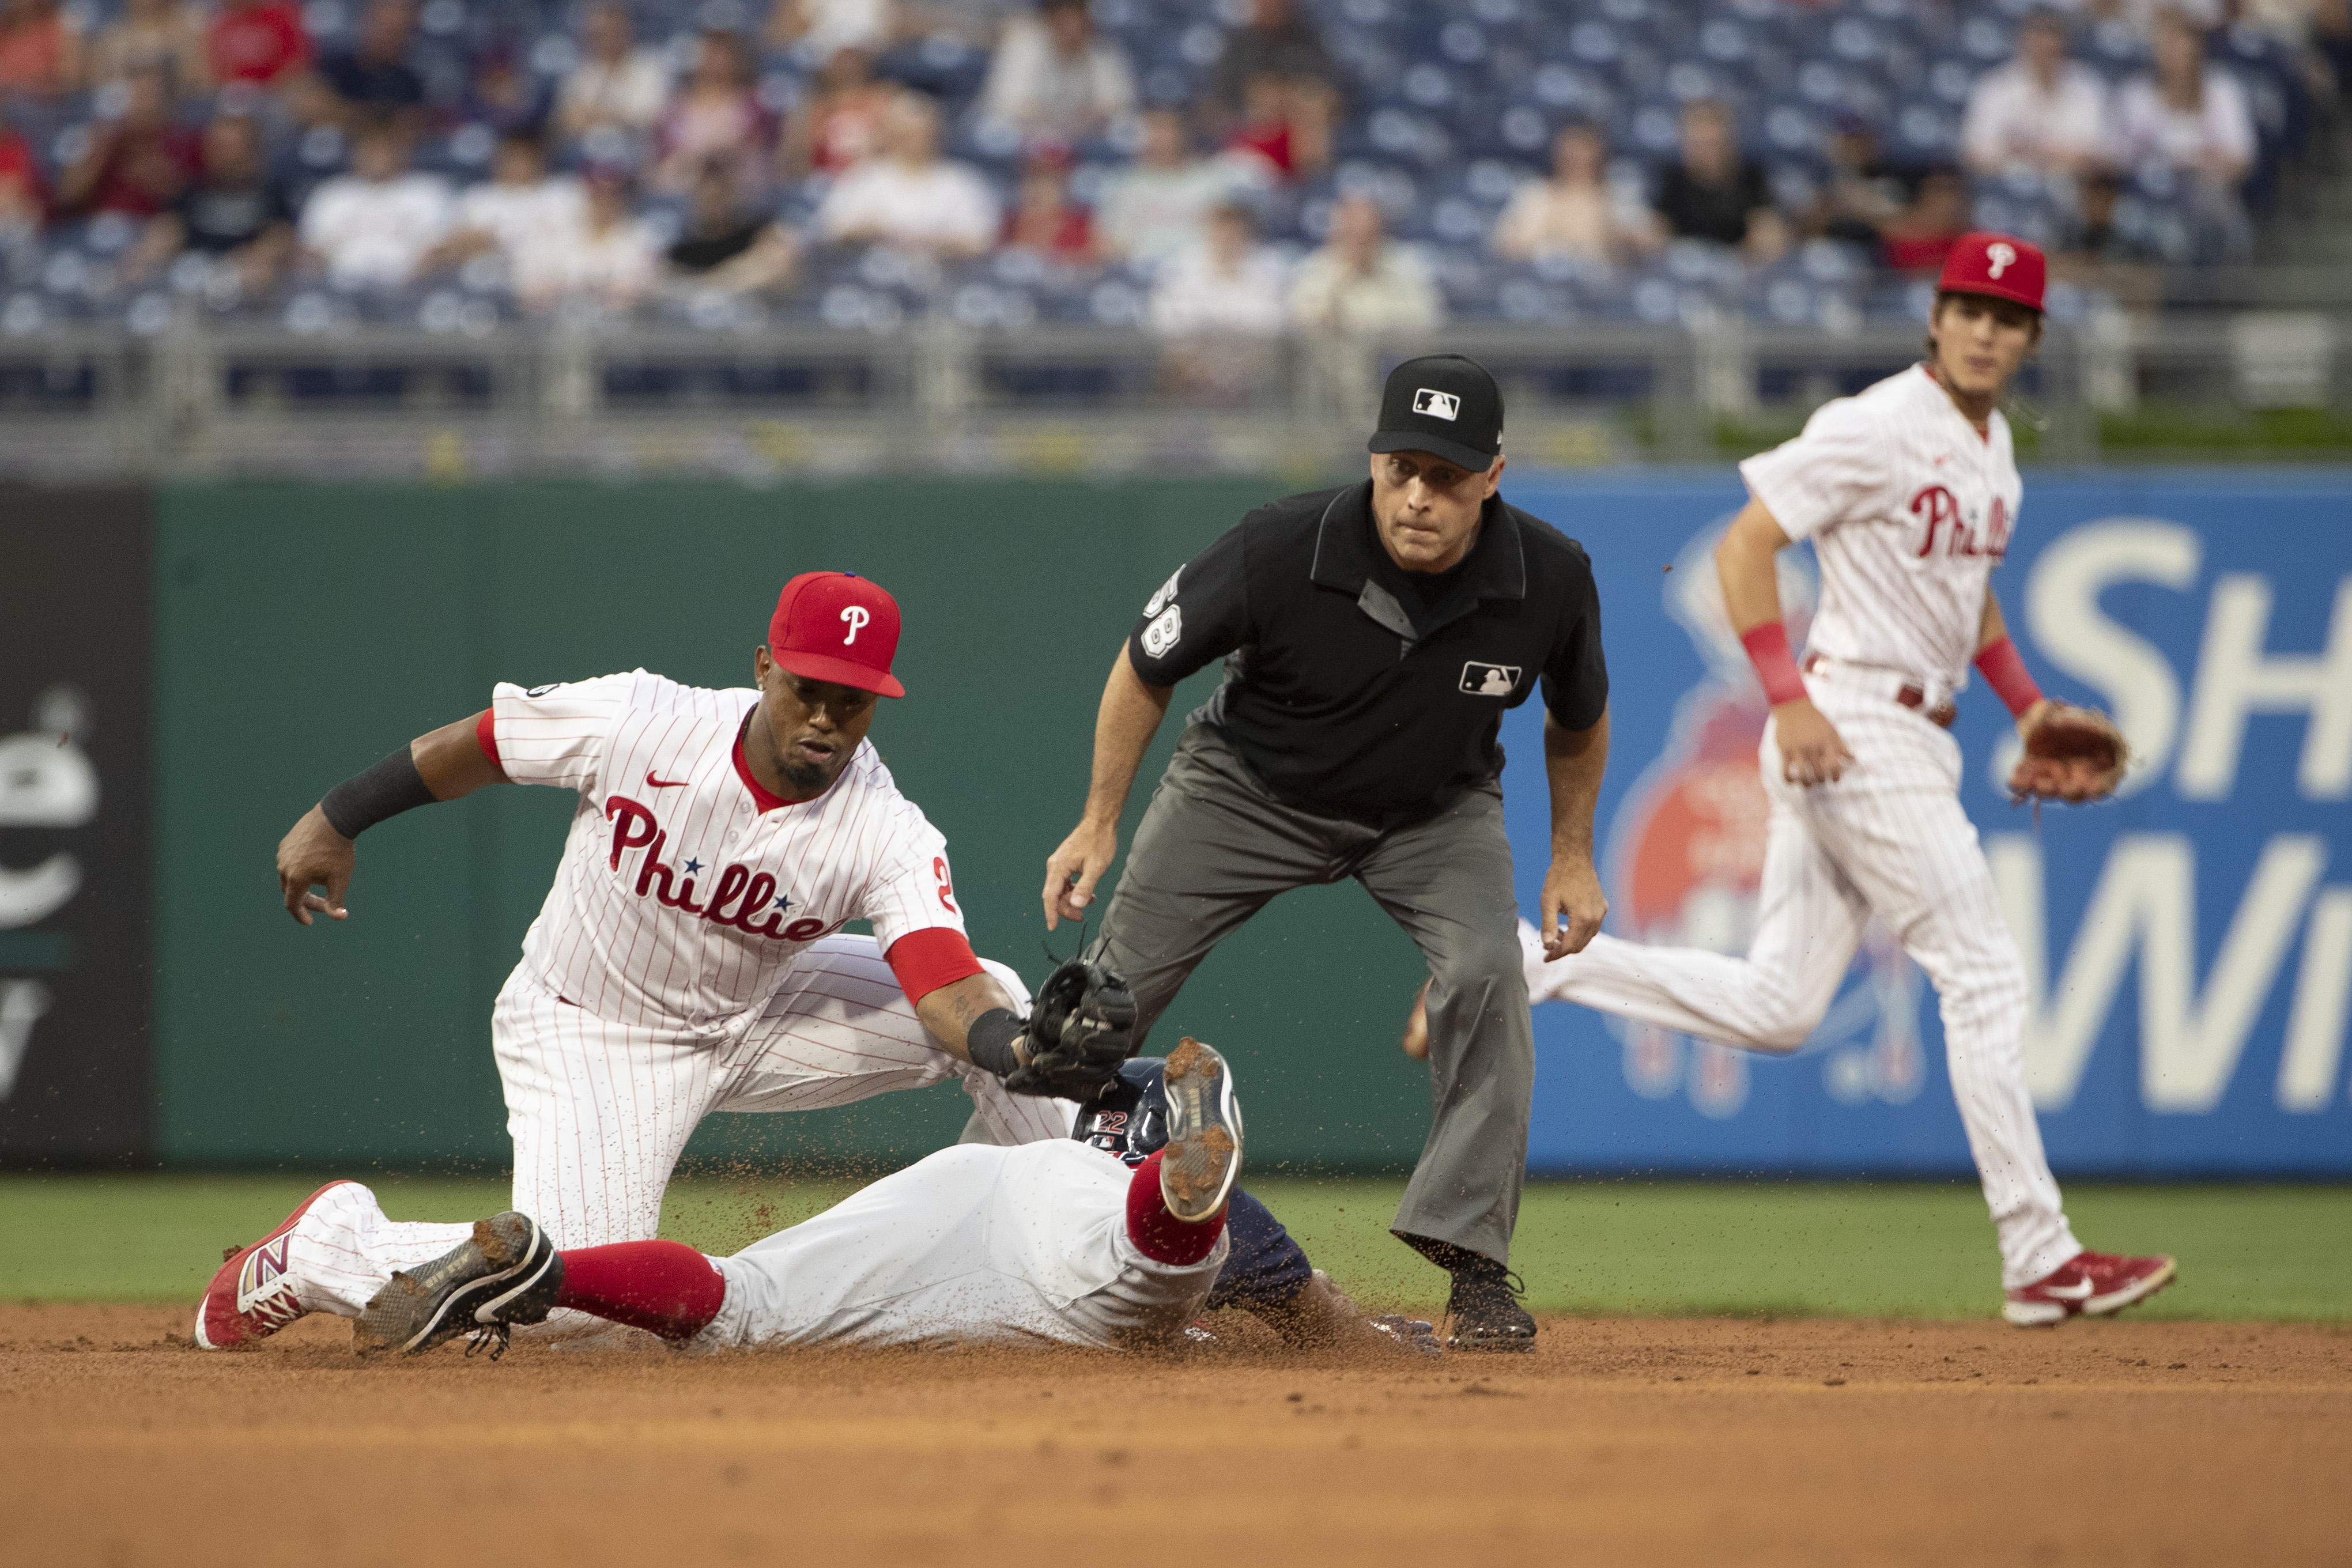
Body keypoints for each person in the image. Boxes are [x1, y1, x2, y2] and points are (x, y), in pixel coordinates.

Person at [1454, 236, 2175, 1330]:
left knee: (1784, 1006)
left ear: (2031, 337)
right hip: (1850, 726)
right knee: (1981, 975)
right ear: (1935, 317)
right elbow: (1747, 551)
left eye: (2008, 315)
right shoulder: (1877, 426)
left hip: (1903, 730)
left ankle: (1536, 965)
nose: (1986, 328)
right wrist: (1787, 697)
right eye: (1969, 307)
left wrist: (2026, 704)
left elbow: (1967, 597)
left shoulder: (1992, 456)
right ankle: (2040, 1256)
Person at [261, 572, 1131, 1318]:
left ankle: (1092, 1261)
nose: (825, 717)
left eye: (851, 700)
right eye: (806, 688)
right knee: (581, 1301)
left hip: (755, 1014)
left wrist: (1011, 1045)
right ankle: (332, 1248)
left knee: (1010, 1010)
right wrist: (340, 815)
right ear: (763, 668)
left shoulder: (885, 827)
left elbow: (943, 981)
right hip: (590, 1029)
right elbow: (485, 746)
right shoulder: (643, 720)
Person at [1041, 354, 1611, 1352]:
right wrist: (1098, 819)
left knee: (1486, 973)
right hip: (1248, 789)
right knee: (1105, 999)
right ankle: (1015, 1216)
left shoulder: (1549, 576)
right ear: (1375, 461)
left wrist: (1573, 854)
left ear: (1494, 475)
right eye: (1403, 469)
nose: (1420, 496)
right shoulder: (1280, 544)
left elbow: (1580, 717)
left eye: (1447, 475)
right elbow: (1145, 662)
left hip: (1435, 812)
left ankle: (1473, 1269)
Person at [194, 1043, 1439, 1358]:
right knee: (1139, 1271)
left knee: (737, 1309)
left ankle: (551, 1271)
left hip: (968, 1201)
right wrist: (1390, 1343)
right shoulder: (1135, 1188)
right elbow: (1320, 1322)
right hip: (1078, 1213)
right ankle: (1170, 1215)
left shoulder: (1028, 1150)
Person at [2112, 9, 2255, 260]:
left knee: (2212, 205)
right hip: (2147, 196)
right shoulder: (2137, 94)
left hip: (2202, 201)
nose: (2174, 55)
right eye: (2166, 45)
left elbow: (2241, 161)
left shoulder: (2221, 93)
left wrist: (2189, 162)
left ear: (2195, 51)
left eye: (2180, 46)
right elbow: (2116, 157)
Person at [811, 89, 996, 256]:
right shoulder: (865, 177)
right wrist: (866, 231)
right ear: (892, 133)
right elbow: (831, 231)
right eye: (906, 133)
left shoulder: (961, 182)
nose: (914, 140)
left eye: (921, 132)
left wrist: (928, 240)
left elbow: (980, 242)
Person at [123, 110, 294, 289]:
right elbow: (165, 232)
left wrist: (258, 257)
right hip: (193, 281)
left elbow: (279, 237)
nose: (222, 155)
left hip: (246, 283)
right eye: (217, 146)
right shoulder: (192, 194)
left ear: (253, 151)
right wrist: (147, 257)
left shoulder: (272, 196)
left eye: (231, 147)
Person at [295, 118, 452, 288]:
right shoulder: (332, 194)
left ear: (401, 151)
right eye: (370, 149)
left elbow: (440, 248)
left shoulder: (428, 192)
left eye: (385, 149)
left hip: (411, 290)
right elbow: (312, 250)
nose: (377, 156)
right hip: (341, 290)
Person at [1960, 12, 2111, 180]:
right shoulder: (1995, 87)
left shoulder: (2090, 88)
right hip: (2007, 186)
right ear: (2023, 43)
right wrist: (2053, 155)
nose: (2045, 49)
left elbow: (2101, 158)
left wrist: (2024, 150)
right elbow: (1976, 154)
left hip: (2070, 189)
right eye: (2038, 40)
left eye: (2052, 41)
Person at [1490, 120, 1660, 270]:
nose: (1577, 159)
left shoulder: (1618, 198)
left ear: (1599, 156)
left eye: (1583, 152)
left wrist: (1615, 233)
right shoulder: (1534, 194)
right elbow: (1503, 247)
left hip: (1599, 287)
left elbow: (1653, 242)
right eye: (1570, 153)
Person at [1095, 106, 1236, 271]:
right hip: (1138, 273)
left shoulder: (1211, 180)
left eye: (1171, 127)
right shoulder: (1121, 182)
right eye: (1155, 127)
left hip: (1196, 274)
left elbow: (1226, 236)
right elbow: (1108, 245)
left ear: (1185, 131)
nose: (1164, 137)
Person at [975, 0, 1137, 143]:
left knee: (1126, 129)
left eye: (1077, 19)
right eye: (1064, 19)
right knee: (999, 130)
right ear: (1050, 20)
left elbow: (1115, 103)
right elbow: (1013, 105)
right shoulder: (1025, 46)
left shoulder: (1102, 50)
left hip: (1083, 133)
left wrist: (1078, 120)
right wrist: (1058, 122)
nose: (1071, 27)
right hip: (1028, 133)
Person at [52, 65, 201, 217]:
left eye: (146, 96)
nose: (135, 105)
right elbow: (68, 199)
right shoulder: (98, 136)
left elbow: (195, 202)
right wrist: (101, 150)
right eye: (130, 95)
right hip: (95, 229)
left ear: (165, 103)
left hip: (154, 229)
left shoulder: (185, 142)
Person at [1288, 192, 1441, 332]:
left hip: (1394, 358)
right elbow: (1304, 324)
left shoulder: (1406, 265)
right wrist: (1343, 278)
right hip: (1337, 360)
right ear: (1336, 235)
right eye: (1352, 235)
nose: (1360, 244)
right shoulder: (1314, 269)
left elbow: (1428, 321)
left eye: (1368, 235)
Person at [516, 164, 659, 312]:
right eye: (596, 194)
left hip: (618, 324)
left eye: (611, 195)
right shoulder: (557, 232)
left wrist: (573, 288)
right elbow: (529, 287)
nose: (603, 202)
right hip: (556, 322)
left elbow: (636, 292)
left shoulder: (640, 236)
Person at [1655, 99, 1785, 263]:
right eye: (1699, 144)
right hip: (1685, 267)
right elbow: (1658, 234)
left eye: (1713, 144)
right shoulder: (1673, 181)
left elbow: (1767, 228)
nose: (1707, 153)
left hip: (1741, 268)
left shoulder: (1751, 179)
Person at [650, 29, 773, 194]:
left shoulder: (751, 104)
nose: (716, 63)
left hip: (736, 186)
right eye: (711, 54)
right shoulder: (678, 106)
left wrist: (721, 154)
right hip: (687, 182)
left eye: (722, 55)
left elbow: (756, 149)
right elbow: (665, 154)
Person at [1147, 199, 1286, 335]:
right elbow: (1167, 317)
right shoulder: (1180, 265)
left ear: (1247, 233)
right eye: (1220, 230)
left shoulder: (1270, 267)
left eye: (1234, 232)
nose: (1226, 238)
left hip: (1249, 346)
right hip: (1195, 346)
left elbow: (1271, 320)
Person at [553, 1, 670, 145]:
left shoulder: (649, 66)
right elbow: (567, 120)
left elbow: (644, 119)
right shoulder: (582, 71)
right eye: (601, 33)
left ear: (627, 29)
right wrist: (609, 116)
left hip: (632, 150)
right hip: (583, 151)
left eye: (614, 30)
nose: (608, 38)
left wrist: (595, 116)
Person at [1207, 0, 1334, 128]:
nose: (1272, 6)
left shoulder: (1310, 43)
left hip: (1301, 129)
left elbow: (1329, 95)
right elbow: (1224, 102)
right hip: (1252, 132)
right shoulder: (1239, 48)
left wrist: (1288, 96)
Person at [776, 43, 889, 177]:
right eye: (840, 61)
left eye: (852, 61)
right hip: (823, 176)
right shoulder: (817, 106)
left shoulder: (879, 100)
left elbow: (888, 141)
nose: (846, 67)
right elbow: (800, 150)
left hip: (868, 176)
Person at [318, 0, 424, 120]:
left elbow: (411, 123)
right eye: (387, 30)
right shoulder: (333, 69)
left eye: (403, 33)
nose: (395, 41)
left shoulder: (409, 85)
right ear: (365, 24)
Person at [85, 0, 209, 100]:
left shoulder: (186, 33)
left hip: (178, 116)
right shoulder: (112, 37)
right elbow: (100, 86)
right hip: (125, 119)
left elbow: (201, 84)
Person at [1000, 148, 1097, 263]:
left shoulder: (1082, 229)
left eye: (1050, 181)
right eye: (1033, 179)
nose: (1039, 189)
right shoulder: (1010, 226)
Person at [1875, 165, 1972, 274]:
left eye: (1953, 191)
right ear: (1922, 196)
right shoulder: (1896, 239)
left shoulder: (1972, 238)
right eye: (1938, 191)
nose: (1948, 200)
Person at [205, 0, 308, 88]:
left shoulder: (280, 17)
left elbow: (294, 63)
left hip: (274, 92)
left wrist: (268, 90)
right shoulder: (224, 23)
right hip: (234, 95)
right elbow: (215, 68)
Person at [0, 0, 82, 97]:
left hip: (42, 103)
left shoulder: (53, 28)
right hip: (9, 101)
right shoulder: (4, 31)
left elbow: (68, 78)